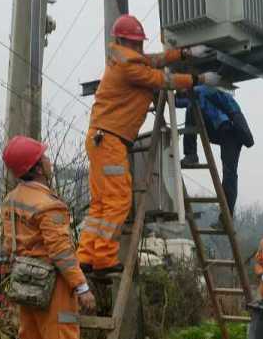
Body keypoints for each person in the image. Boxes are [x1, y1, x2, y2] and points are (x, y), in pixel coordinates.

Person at [76, 14, 222, 275]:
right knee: (118, 200)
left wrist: (184, 53)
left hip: (101, 139)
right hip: (110, 141)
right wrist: (198, 80)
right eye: (136, 43)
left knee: (100, 203)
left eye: (139, 43)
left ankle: (86, 257)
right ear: (123, 40)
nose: (139, 47)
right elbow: (161, 80)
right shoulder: (128, 67)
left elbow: (152, 61)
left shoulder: (123, 58)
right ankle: (104, 260)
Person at [0, 136, 97, 339]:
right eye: (45, 157)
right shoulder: (48, 206)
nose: (49, 160)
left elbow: (9, 245)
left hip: (25, 283)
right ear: (37, 167)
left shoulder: (11, 199)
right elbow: (62, 253)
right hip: (52, 288)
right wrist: (82, 288)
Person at [176, 86, 254, 216]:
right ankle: (191, 155)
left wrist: (181, 87)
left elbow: (231, 107)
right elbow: (178, 103)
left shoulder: (206, 90)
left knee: (229, 175)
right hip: (218, 130)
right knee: (191, 107)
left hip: (232, 133)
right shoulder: (194, 97)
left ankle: (226, 217)